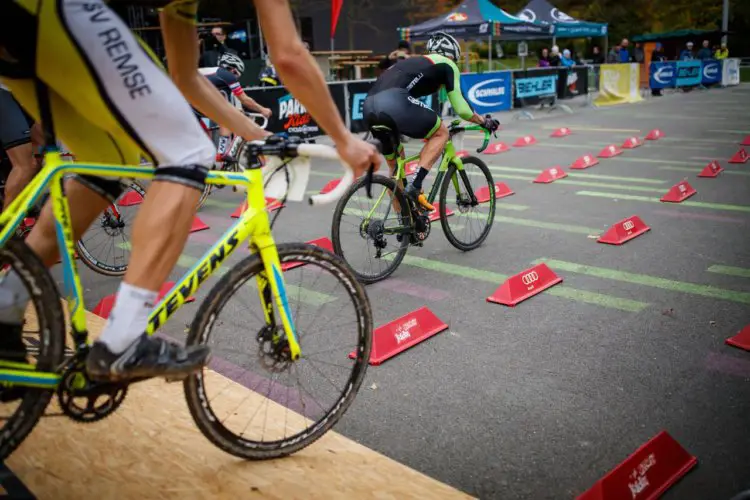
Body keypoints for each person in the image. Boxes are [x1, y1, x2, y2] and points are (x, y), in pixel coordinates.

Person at [0, 0, 380, 385]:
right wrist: (344, 138)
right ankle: (122, 341)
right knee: (190, 153)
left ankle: (5, 311)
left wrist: (259, 136)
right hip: (54, 13)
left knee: (110, 159)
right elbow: (288, 55)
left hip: (24, 27)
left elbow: (184, 77)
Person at [362, 32, 497, 211]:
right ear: (451, 55)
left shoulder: (413, 62)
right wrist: (483, 121)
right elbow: (463, 109)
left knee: (396, 170)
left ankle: (406, 227)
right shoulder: (446, 63)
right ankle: (416, 186)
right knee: (441, 132)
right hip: (393, 102)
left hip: (369, 107)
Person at [199, 52, 272, 163]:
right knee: (227, 120)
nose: (237, 78)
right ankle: (221, 154)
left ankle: (212, 161)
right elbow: (245, 100)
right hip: (190, 102)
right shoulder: (226, 75)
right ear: (233, 70)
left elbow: (222, 101)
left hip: (185, 101)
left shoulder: (214, 74)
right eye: (238, 75)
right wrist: (263, 109)